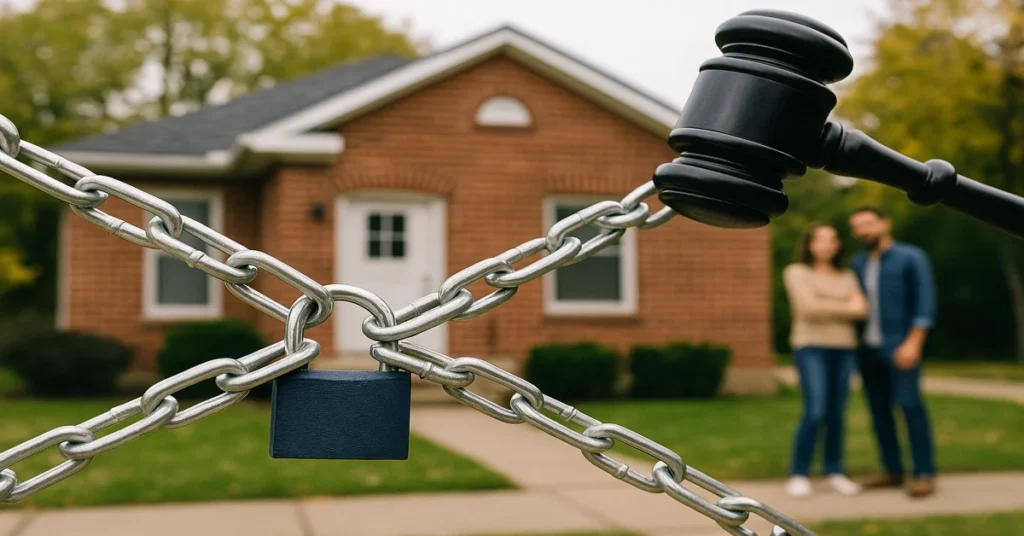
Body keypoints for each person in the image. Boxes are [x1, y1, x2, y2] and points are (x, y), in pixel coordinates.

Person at [848, 206, 938, 498]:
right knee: (878, 412)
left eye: (868, 224)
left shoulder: (911, 257)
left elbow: (924, 304)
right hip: (868, 351)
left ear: (884, 223)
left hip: (900, 346)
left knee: (911, 407)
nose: (862, 231)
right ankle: (892, 470)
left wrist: (913, 343)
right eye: (857, 227)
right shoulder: (857, 263)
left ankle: (924, 474)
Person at [783, 223, 867, 498]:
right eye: (820, 240)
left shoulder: (847, 276)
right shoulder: (796, 272)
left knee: (836, 413)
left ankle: (834, 470)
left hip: (843, 349)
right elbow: (807, 309)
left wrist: (822, 300)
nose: (827, 245)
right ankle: (799, 473)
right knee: (815, 410)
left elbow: (862, 309)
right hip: (810, 347)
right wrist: (844, 306)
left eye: (832, 240)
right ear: (809, 244)